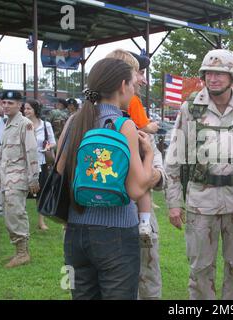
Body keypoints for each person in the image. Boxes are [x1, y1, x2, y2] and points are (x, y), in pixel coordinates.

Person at [164, 49, 233, 300]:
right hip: (201, 201)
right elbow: (174, 158)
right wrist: (173, 204)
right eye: (209, 73)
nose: (213, 78)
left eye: (220, 73)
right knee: (200, 269)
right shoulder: (190, 108)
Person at [56, 58, 154, 300]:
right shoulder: (123, 125)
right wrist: (149, 154)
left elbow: (59, 169)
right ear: (123, 85)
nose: (134, 89)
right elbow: (136, 188)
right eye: (133, 83)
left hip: (76, 231)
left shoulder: (75, 120)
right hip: (117, 233)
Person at [105, 48, 167, 299]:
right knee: (145, 276)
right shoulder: (129, 120)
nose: (142, 79)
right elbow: (140, 184)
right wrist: (153, 164)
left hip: (91, 222)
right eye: (138, 73)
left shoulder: (82, 119)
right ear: (123, 80)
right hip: (128, 214)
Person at [0, 90, 40, 268]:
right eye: (4, 102)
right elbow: (3, 154)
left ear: (19, 105)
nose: (6, 106)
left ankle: (22, 253)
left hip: (18, 177)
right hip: (7, 176)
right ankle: (20, 251)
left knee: (16, 214)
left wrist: (33, 178)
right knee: (9, 214)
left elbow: (31, 151)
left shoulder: (25, 124)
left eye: (10, 103)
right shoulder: (7, 124)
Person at [23, 99, 56, 231]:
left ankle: (41, 222)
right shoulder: (22, 124)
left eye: (28, 109)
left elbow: (53, 142)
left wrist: (48, 147)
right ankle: (23, 222)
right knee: (23, 192)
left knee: (42, 193)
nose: (25, 111)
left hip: (41, 163)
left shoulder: (46, 125)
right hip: (25, 163)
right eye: (24, 109)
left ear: (35, 110)